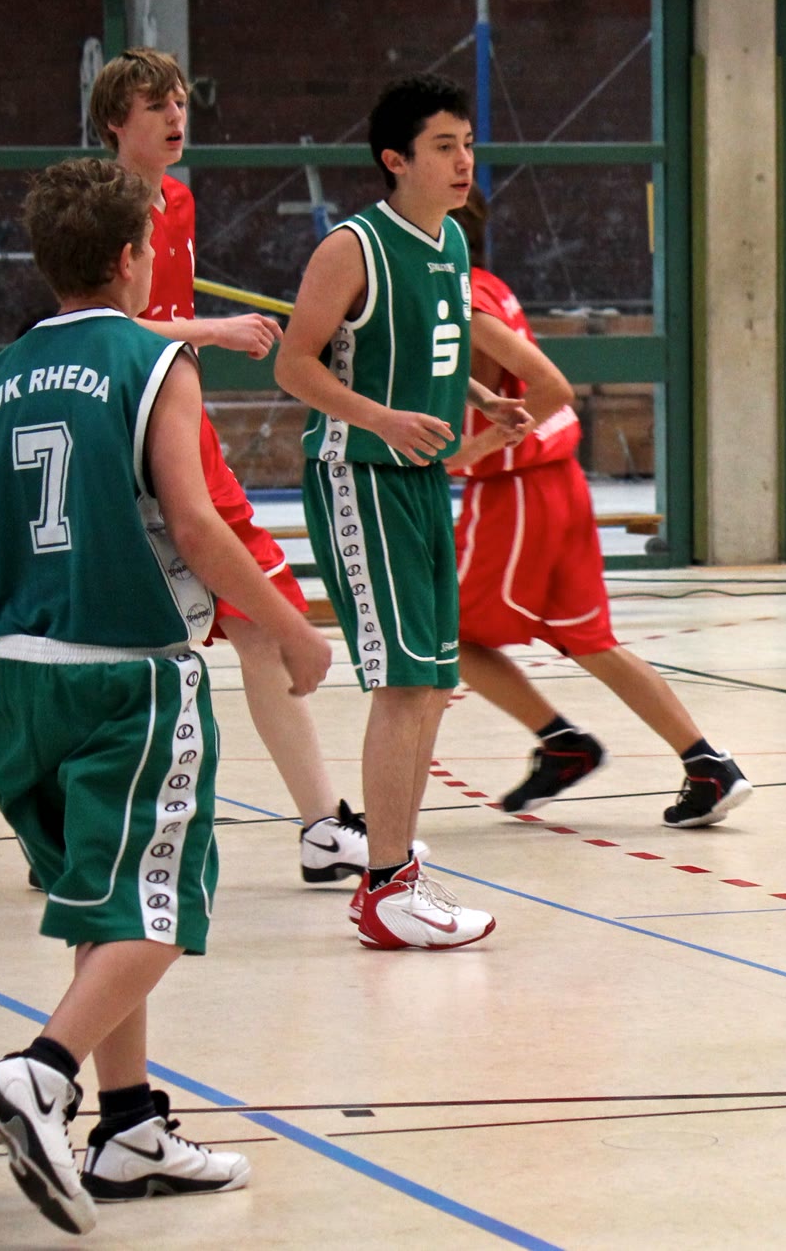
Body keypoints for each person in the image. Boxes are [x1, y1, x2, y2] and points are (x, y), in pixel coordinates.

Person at [0, 157, 331, 1233]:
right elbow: (196, 523)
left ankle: (129, 1128)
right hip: (129, 677)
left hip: (22, 684)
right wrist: (291, 625)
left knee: (112, 909)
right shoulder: (153, 361)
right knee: (163, 908)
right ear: (130, 257)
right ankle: (40, 1072)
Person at [88, 48, 388, 886]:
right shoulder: (97, 209)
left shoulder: (178, 201)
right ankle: (75, 830)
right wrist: (212, 332)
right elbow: (99, 329)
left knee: (258, 620)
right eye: (156, 105)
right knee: (112, 643)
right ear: (114, 122)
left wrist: (196, 337)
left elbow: (158, 325)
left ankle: (322, 826)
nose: (175, 117)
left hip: (179, 427)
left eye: (181, 102)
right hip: (117, 438)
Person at [277, 74, 533, 949]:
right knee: (403, 683)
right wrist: (380, 418)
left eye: (468, 144)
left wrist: (481, 401)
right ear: (396, 160)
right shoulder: (351, 248)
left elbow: (432, 347)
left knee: (431, 680)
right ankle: (387, 886)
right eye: (443, 147)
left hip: (422, 479)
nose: (464, 162)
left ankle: (394, 875)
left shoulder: (451, 243)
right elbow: (294, 366)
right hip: (361, 474)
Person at [445, 188, 754, 828]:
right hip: (557, 481)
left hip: (516, 490)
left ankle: (560, 742)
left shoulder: (464, 300)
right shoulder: (487, 285)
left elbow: (544, 390)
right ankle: (707, 764)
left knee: (442, 634)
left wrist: (467, 452)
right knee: (589, 639)